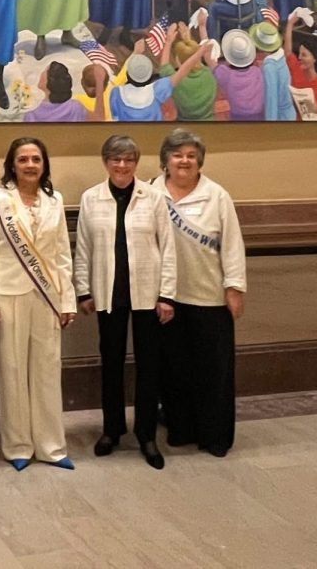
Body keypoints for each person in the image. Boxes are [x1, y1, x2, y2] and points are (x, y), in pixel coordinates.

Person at [74, 134, 176, 470]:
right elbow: (84, 247)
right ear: (106, 162)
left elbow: (168, 248)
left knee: (149, 366)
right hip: (109, 294)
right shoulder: (92, 198)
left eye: (129, 159)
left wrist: (167, 295)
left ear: (136, 162)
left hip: (148, 293)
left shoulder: (155, 197)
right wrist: (84, 290)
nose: (122, 165)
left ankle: (146, 435)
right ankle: (112, 430)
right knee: (112, 363)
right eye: (116, 159)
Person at [0, 138, 75, 470]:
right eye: (23, 159)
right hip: (7, 296)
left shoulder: (55, 201)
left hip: (47, 296)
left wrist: (67, 301)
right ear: (12, 164)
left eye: (36, 159)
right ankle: (18, 446)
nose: (30, 165)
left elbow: (62, 253)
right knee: (13, 370)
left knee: (48, 369)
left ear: (44, 164)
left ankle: (51, 445)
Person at [151, 130, 246, 457]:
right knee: (175, 370)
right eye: (177, 155)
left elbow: (232, 244)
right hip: (166, 298)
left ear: (200, 161)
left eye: (191, 155)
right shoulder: (150, 192)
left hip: (209, 298)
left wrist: (234, 287)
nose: (184, 161)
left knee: (213, 372)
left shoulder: (217, 195)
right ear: (165, 159)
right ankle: (181, 429)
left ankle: (215, 436)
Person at [214, 28, 265, 120]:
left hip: (237, 118)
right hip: (260, 117)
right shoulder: (259, 71)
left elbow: (209, 59)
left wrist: (202, 28)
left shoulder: (226, 75)